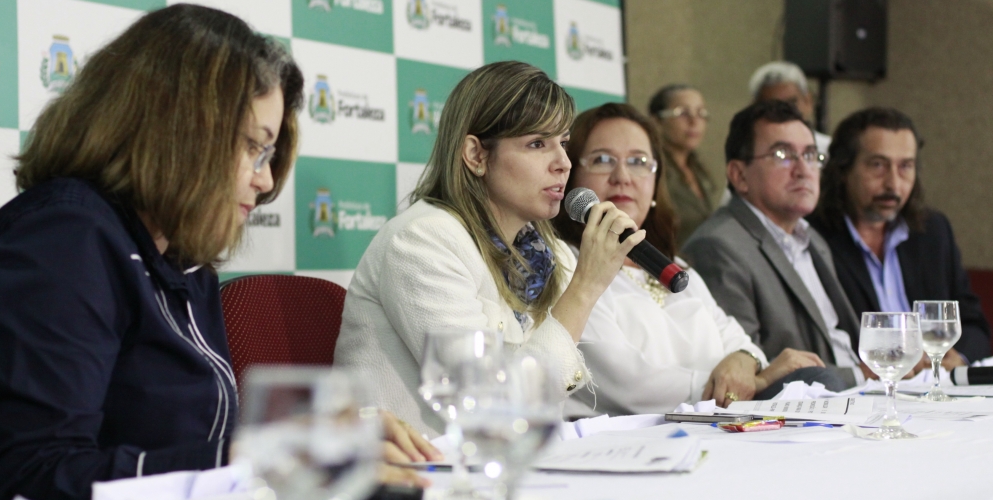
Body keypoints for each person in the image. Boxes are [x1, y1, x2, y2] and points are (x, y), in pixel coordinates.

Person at [0, 4, 437, 500]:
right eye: (253, 147)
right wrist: (260, 461)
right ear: (177, 128)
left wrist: (314, 443)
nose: (266, 179)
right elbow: (29, 473)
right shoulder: (66, 238)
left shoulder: (185, 255)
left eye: (268, 154)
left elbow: (195, 447)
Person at [333, 61, 643, 437]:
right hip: (409, 477)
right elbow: (490, 407)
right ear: (476, 155)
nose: (563, 163)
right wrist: (586, 287)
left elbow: (544, 403)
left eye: (563, 142)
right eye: (537, 144)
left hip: (507, 464)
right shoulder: (421, 242)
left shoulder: (550, 253)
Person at [554, 103, 836, 414]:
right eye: (602, 160)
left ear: (654, 184)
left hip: (709, 430)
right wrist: (752, 383)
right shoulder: (566, 264)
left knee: (818, 389)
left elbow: (738, 340)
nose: (623, 177)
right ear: (571, 176)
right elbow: (626, 384)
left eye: (638, 162)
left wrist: (745, 361)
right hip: (632, 444)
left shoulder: (675, 267)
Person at [682, 100, 862, 389]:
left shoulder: (811, 238)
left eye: (811, 155)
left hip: (858, 393)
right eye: (783, 155)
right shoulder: (718, 246)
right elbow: (746, 367)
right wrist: (865, 374)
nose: (804, 170)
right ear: (739, 175)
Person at [809, 108, 992, 368]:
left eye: (905, 166)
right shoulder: (813, 239)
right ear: (843, 169)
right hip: (865, 393)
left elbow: (973, 323)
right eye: (878, 165)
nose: (893, 184)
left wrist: (957, 357)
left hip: (936, 387)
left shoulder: (933, 231)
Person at [648, 84, 719, 249]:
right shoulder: (652, 170)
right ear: (657, 120)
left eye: (701, 113)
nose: (694, 121)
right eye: (683, 113)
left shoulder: (699, 169)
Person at [749, 61, 831, 157]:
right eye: (774, 105)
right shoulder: (749, 152)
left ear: (808, 102)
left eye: (792, 103)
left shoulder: (829, 150)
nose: (785, 111)